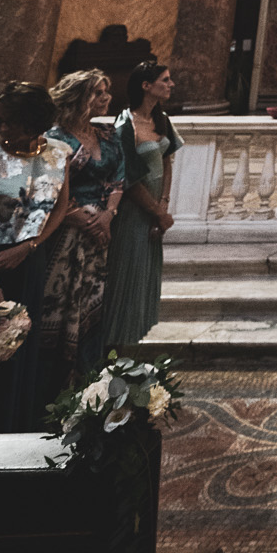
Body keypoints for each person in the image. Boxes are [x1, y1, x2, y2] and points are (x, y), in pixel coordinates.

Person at [0, 81, 70, 431]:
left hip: (29, 260)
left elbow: (60, 208)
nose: (1, 128)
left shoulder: (59, 153)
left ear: (33, 122)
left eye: (9, 122)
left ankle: (12, 430)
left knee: (19, 352)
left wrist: (31, 246)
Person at [41, 68, 126, 396]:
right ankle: (54, 388)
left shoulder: (108, 135)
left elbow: (119, 177)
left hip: (102, 232)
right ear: (78, 98)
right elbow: (48, 186)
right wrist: (82, 218)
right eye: (97, 93)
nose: (106, 98)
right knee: (62, 302)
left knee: (95, 302)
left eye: (106, 91)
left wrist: (107, 215)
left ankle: (89, 382)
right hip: (67, 231)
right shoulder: (54, 138)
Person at [105, 60, 181, 350]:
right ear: (146, 86)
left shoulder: (162, 119)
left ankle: (135, 341)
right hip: (133, 208)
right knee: (128, 271)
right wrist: (156, 211)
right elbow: (128, 178)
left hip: (156, 206)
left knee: (146, 274)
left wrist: (164, 203)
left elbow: (166, 161)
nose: (171, 84)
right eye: (165, 80)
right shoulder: (125, 125)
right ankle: (116, 345)